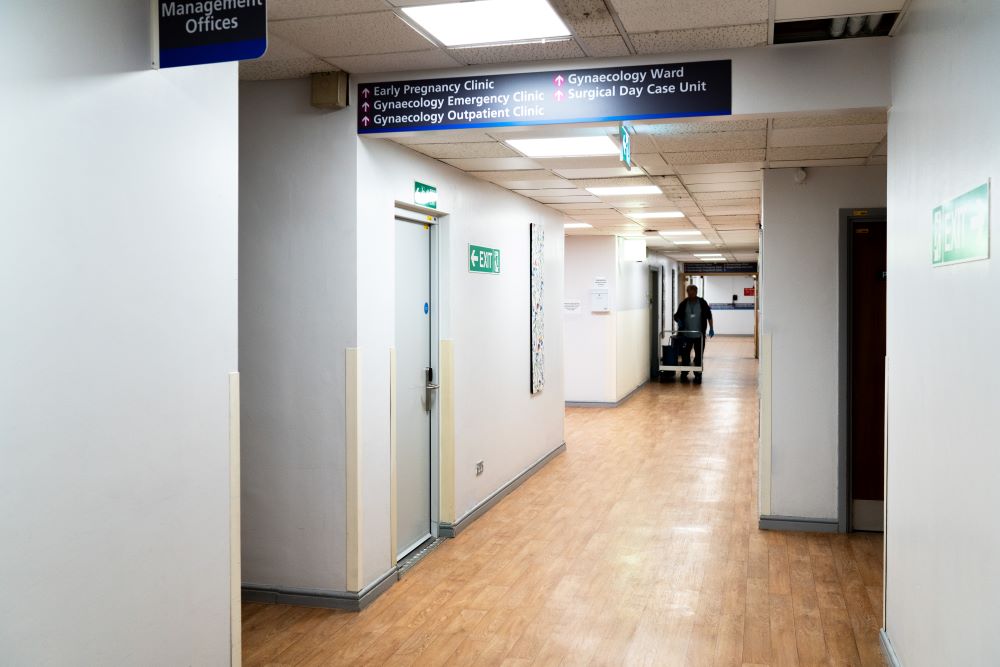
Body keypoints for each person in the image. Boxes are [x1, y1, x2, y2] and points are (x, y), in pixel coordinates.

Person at [673, 284, 714, 384]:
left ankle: (698, 374)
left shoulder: (702, 303)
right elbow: (676, 315)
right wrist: (678, 320)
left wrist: (711, 328)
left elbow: (709, 315)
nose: (691, 295)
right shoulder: (683, 304)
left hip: (699, 335)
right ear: (687, 293)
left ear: (696, 292)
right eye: (689, 293)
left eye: (693, 293)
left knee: (699, 356)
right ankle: (684, 373)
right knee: (685, 355)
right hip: (686, 335)